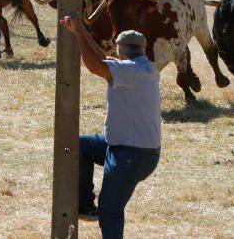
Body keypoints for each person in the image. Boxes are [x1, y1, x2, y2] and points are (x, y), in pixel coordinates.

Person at [62, 15, 161, 239]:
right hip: (131, 149)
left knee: (110, 210)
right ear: (143, 50)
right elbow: (103, 59)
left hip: (130, 155)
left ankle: (94, 209)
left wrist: (78, 34)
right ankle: (86, 204)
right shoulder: (144, 67)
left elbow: (96, 65)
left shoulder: (130, 71)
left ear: (121, 51)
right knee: (81, 146)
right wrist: (82, 30)